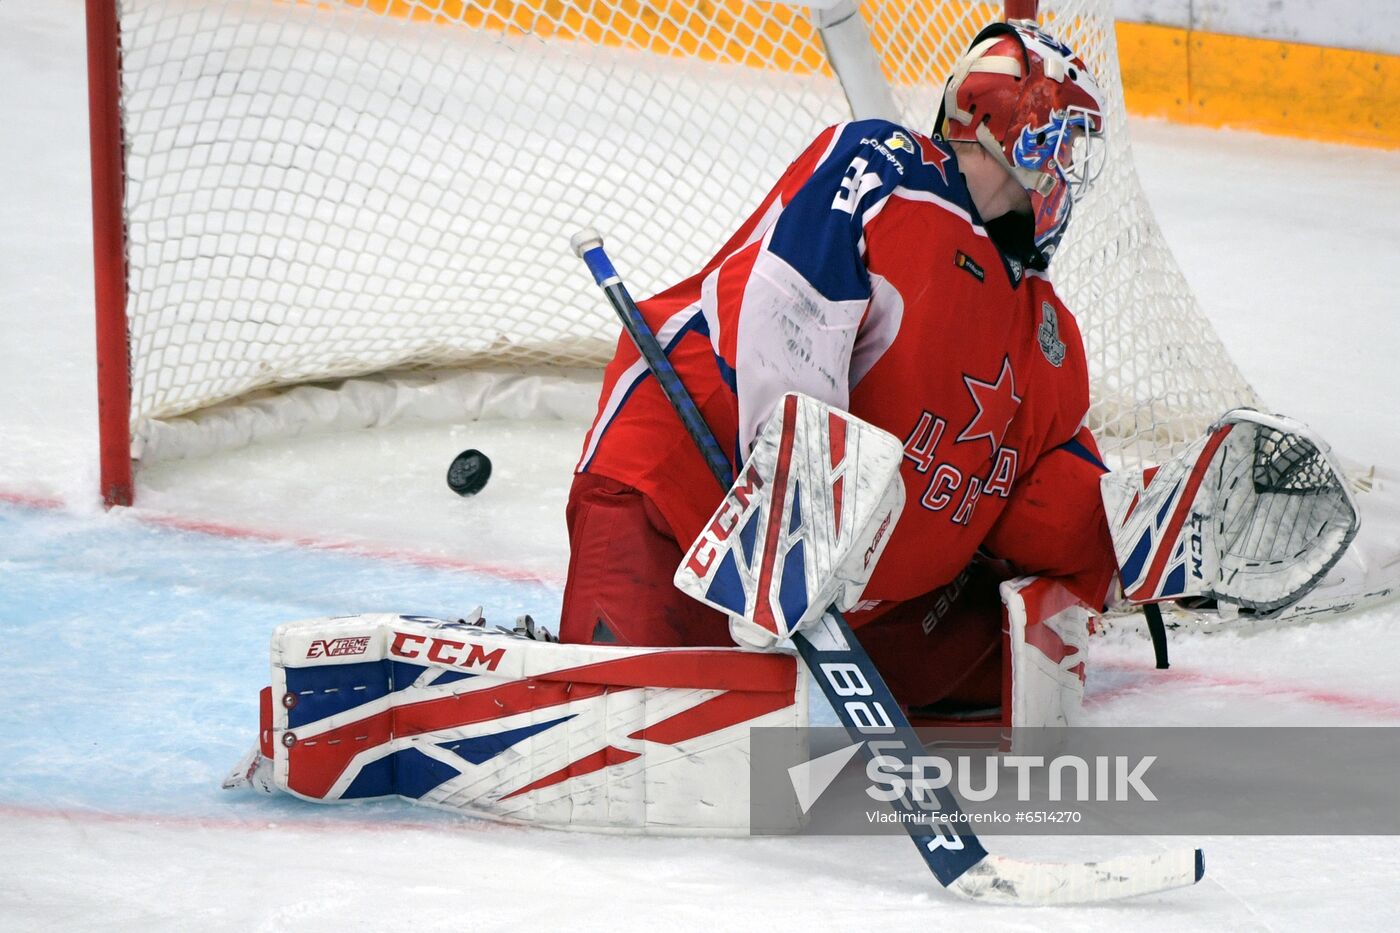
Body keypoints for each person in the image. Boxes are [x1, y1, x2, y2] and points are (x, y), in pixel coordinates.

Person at [560, 21, 1118, 720]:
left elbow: (1048, 493)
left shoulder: (1045, 326)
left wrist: (1127, 540)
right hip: (677, 509)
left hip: (851, 614)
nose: (1068, 166)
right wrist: (799, 532)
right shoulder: (885, 172)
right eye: (1059, 138)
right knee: (622, 722)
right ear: (1003, 120)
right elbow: (787, 316)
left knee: (992, 655)